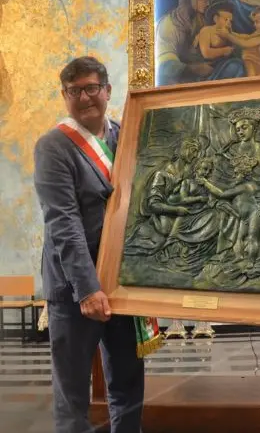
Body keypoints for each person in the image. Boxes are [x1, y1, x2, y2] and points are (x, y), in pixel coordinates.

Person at [35, 56, 145, 433]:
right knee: (73, 397)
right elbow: (63, 222)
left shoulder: (124, 135)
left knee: (129, 383)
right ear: (65, 96)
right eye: (74, 91)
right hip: (75, 291)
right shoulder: (53, 146)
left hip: (123, 282)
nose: (84, 98)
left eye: (91, 88)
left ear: (107, 90)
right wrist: (88, 289)